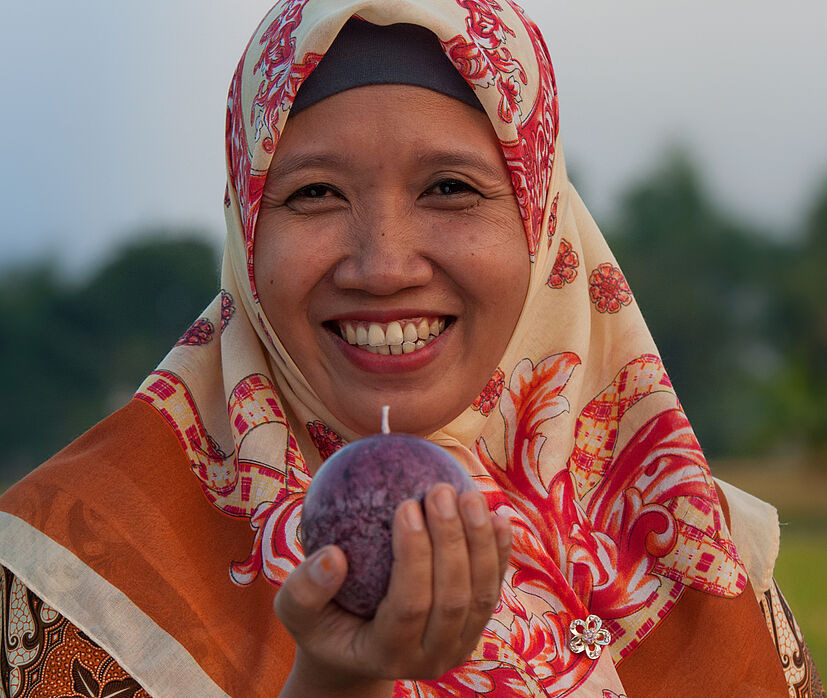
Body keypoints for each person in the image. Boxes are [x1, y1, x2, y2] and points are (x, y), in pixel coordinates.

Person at [0, 1, 822, 696]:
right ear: (245, 232)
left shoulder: (687, 556)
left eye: (450, 189)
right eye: (314, 193)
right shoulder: (77, 565)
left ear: (540, 226)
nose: (383, 265)